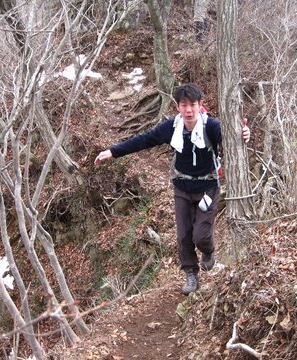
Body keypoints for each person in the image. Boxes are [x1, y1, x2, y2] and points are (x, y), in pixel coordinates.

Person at [94, 83, 250, 295]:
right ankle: (191, 274)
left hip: (207, 187)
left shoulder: (211, 126)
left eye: (192, 105)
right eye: (183, 105)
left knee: (201, 236)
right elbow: (144, 140)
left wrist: (244, 133)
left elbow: (232, 136)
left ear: (200, 105)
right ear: (177, 106)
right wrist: (113, 151)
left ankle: (208, 252)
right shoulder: (172, 127)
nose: (188, 110)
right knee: (184, 235)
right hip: (182, 187)